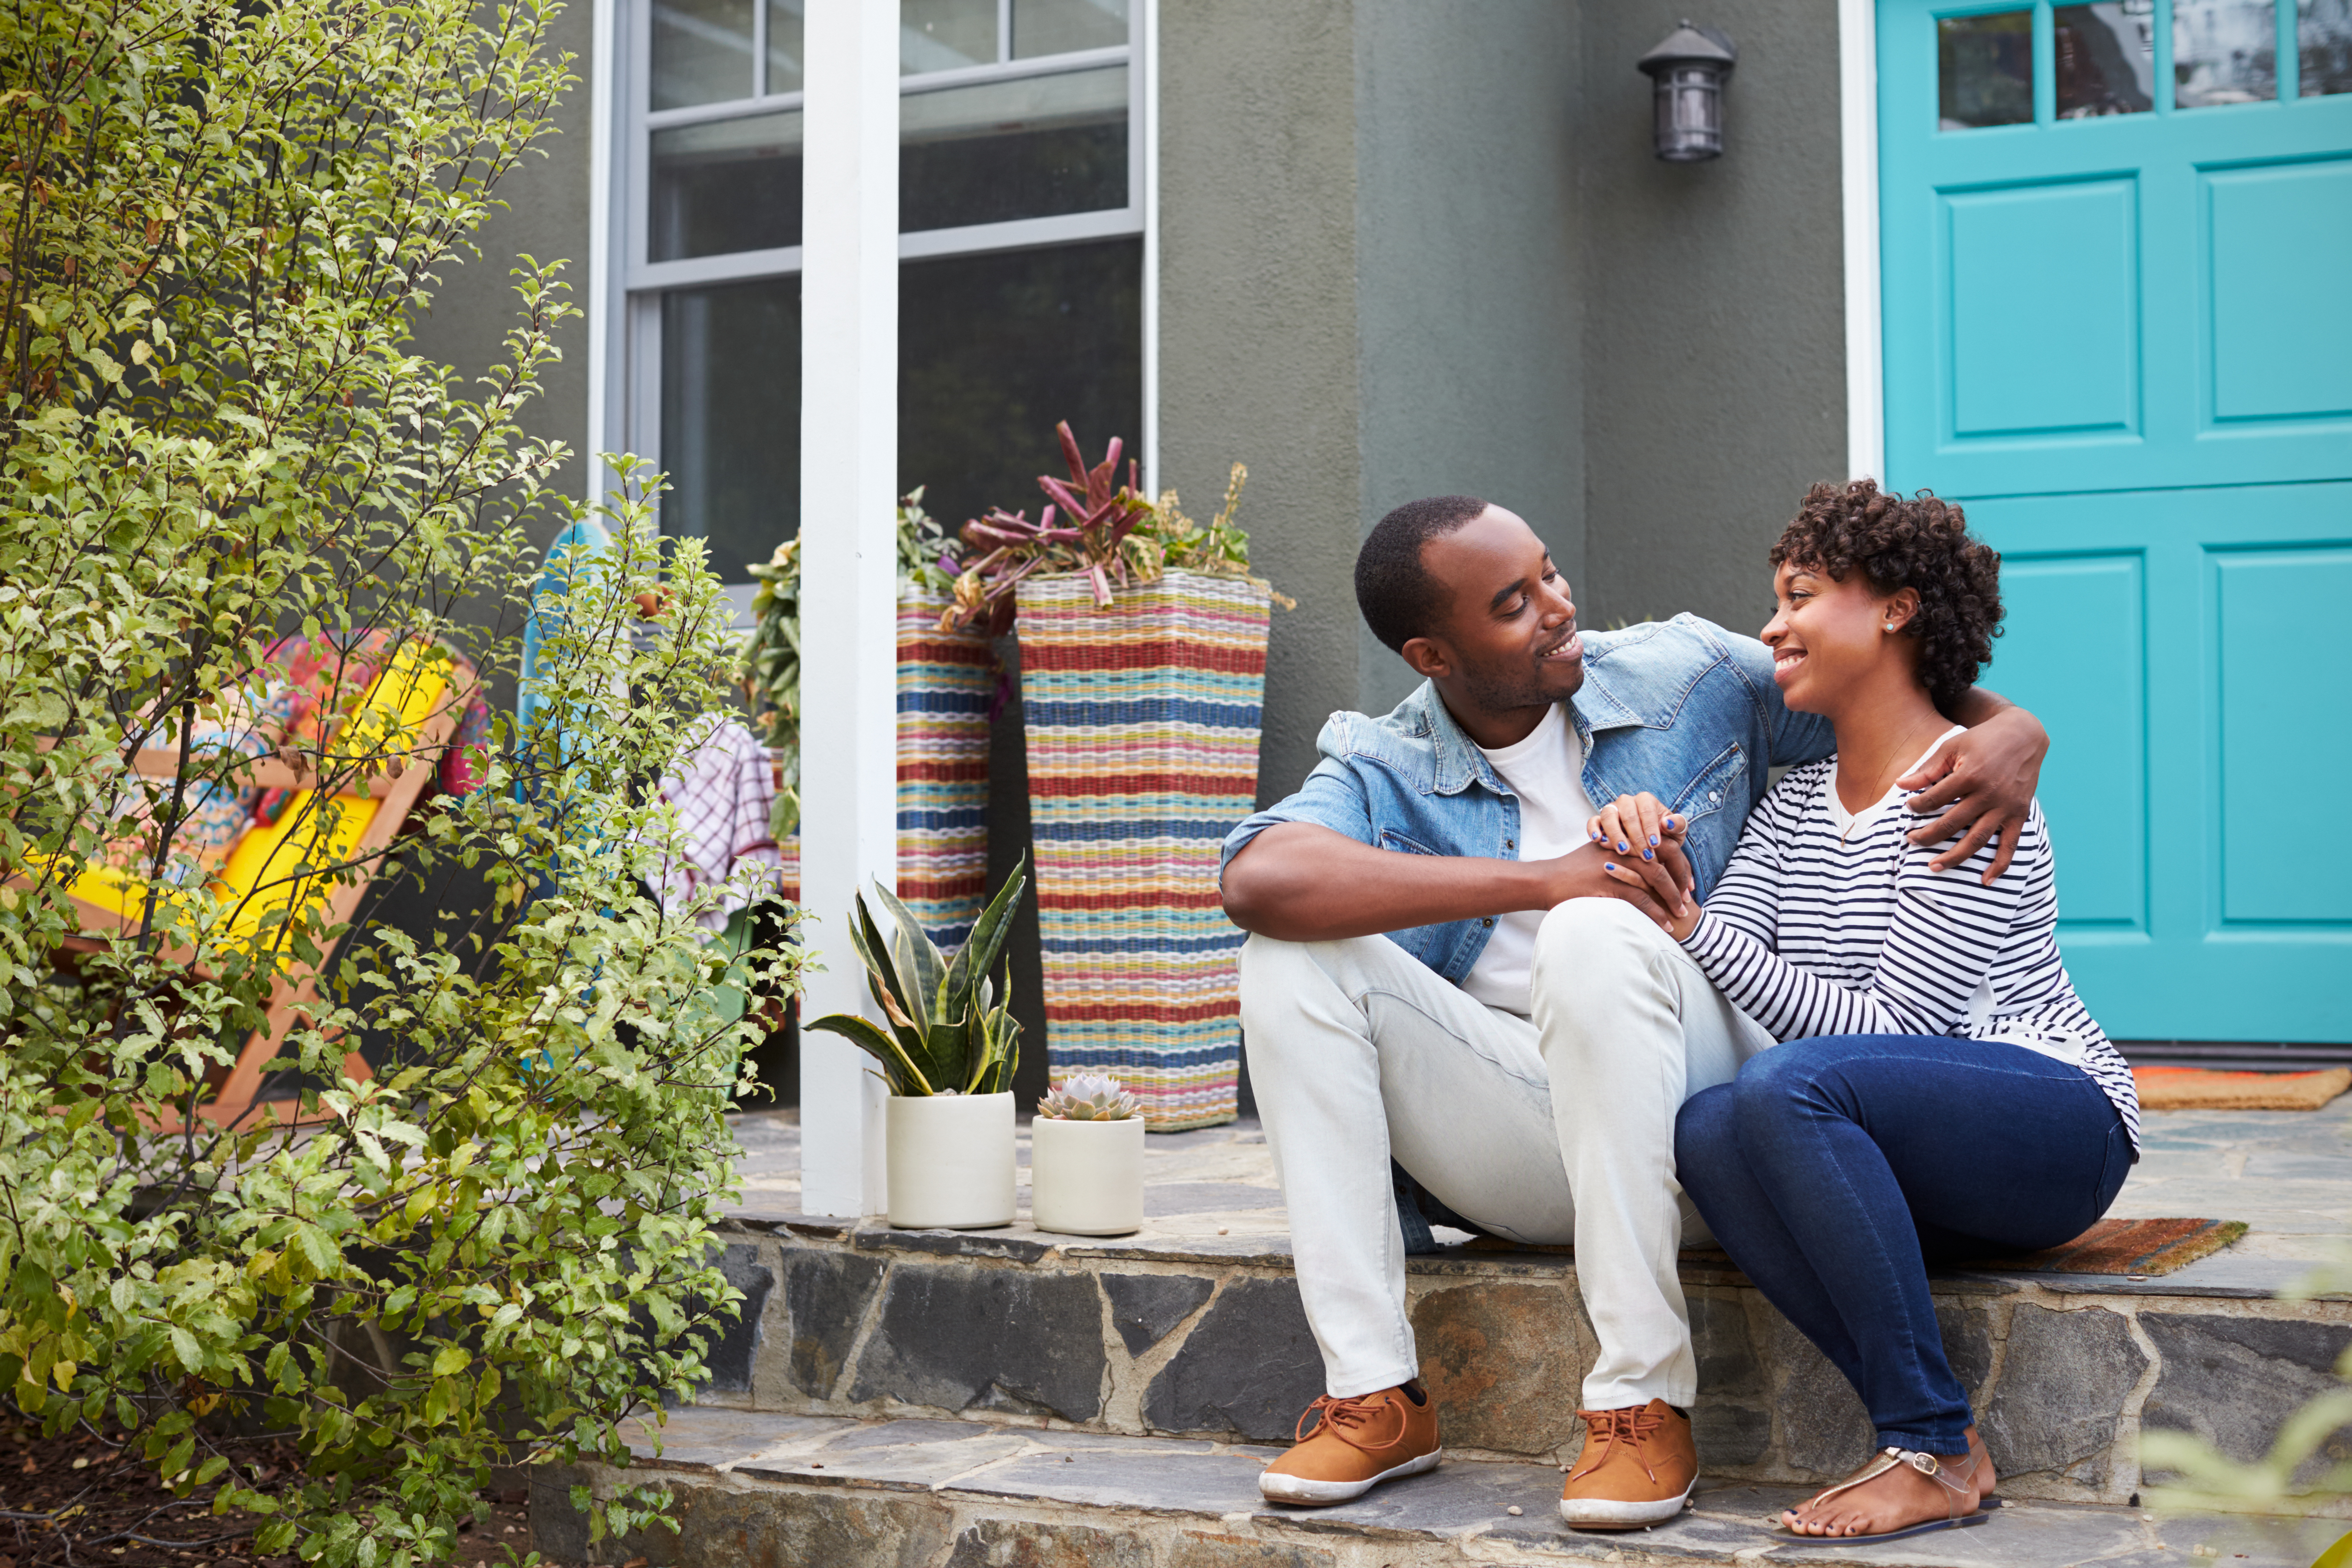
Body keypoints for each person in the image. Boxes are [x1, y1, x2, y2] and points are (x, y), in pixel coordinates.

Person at [1218, 494, 2054, 1528]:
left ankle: (1641, 1399)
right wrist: (1548, 880)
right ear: (1435, 655)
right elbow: (1258, 876)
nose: (1560, 608)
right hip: (1531, 1137)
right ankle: (1374, 1393)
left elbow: (1883, 680)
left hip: (1717, 1121)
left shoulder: (1686, 675)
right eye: (1515, 604)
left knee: (1600, 933)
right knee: (1290, 961)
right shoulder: (1384, 763)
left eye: (1552, 574)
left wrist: (2018, 729)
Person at [1594, 480, 2136, 1544]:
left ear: (1896, 608)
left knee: (1787, 1083)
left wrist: (1693, 931)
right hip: (1904, 1146)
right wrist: (1656, 856)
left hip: (2055, 1123)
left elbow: (1899, 1036)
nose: (1771, 625)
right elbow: (1726, 942)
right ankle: (1942, 1445)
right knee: (1708, 1128)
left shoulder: (1967, 788)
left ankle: (1927, 1441)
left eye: (1800, 595)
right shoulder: (1794, 803)